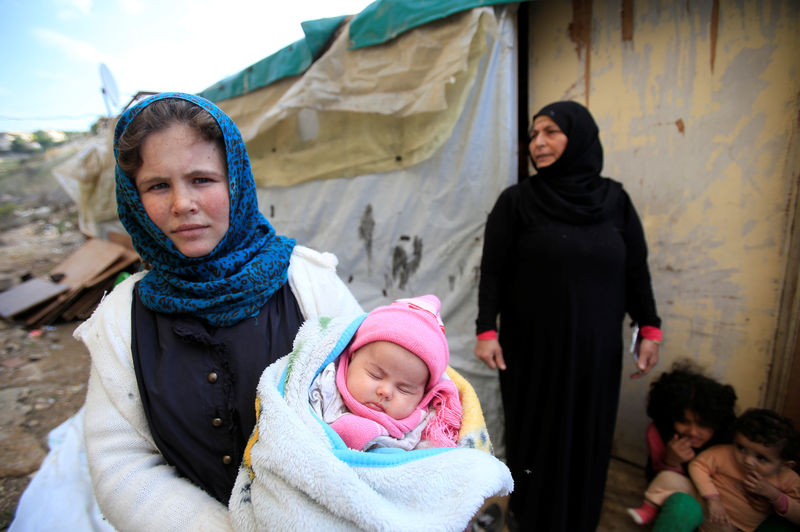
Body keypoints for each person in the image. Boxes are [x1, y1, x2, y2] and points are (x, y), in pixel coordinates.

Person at [74, 92, 362, 530]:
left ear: (237, 182)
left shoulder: (310, 283)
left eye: (202, 179)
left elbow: (377, 407)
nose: (182, 204)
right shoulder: (120, 318)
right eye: (157, 186)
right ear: (134, 199)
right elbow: (122, 464)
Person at [473, 100, 662, 530]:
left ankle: (579, 517)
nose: (537, 143)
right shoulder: (517, 202)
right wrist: (486, 329)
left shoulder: (615, 201)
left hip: (595, 354)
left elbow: (636, 268)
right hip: (531, 351)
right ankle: (530, 515)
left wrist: (649, 325)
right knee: (535, 434)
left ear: (578, 138)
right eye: (533, 135)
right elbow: (494, 270)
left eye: (550, 132)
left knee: (587, 434)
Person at [309, 294, 462, 451]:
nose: (385, 392)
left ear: (424, 394)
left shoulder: (426, 428)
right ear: (352, 356)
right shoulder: (323, 385)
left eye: (405, 389)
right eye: (375, 375)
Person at [627, 361, 738, 526]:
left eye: (703, 424)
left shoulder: (727, 440)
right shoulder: (660, 433)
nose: (693, 432)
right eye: (683, 421)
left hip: (725, 509)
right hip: (689, 503)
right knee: (682, 507)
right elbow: (657, 484)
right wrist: (670, 463)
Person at [688, 408, 800, 531]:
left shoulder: (788, 479)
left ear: (786, 466)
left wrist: (775, 496)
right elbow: (698, 465)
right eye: (741, 448)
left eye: (761, 458)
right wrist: (713, 499)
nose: (747, 460)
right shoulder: (724, 453)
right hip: (706, 508)